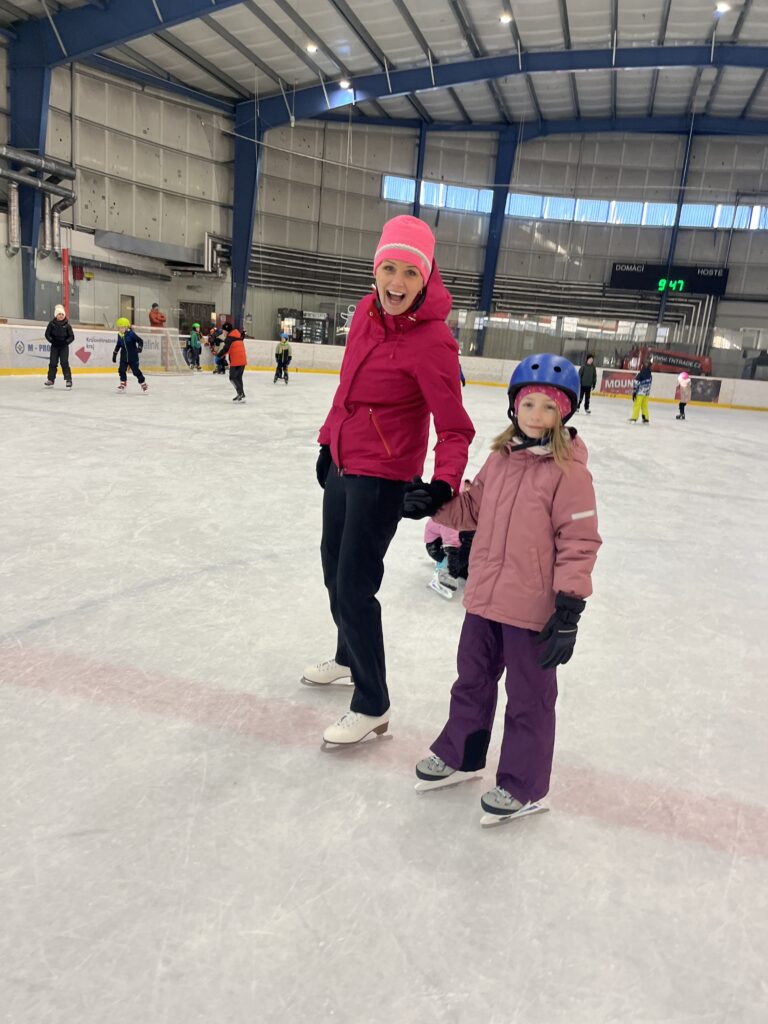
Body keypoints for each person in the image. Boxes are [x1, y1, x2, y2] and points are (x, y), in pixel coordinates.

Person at [304, 214, 475, 745]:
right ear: (375, 269)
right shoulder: (364, 311)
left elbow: (455, 427)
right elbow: (346, 387)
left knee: (355, 587)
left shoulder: (434, 341)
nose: (396, 283)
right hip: (344, 462)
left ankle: (372, 702)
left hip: (383, 476)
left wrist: (443, 484)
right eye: (389, 269)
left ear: (426, 278)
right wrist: (327, 441)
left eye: (409, 272)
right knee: (333, 572)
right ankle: (347, 657)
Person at [414, 354, 601, 824]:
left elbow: (579, 541)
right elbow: (471, 510)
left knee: (529, 699)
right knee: (471, 681)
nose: (536, 415)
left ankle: (524, 786)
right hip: (484, 598)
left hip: (532, 609)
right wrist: (433, 504)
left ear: (565, 413)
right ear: (514, 406)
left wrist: (569, 608)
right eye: (529, 403)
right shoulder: (500, 459)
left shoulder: (570, 473)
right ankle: (462, 755)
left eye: (549, 407)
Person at [112, 317, 148, 392]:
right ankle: (123, 384)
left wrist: (139, 348)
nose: (120, 329)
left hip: (133, 357)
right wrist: (114, 354)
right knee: (121, 370)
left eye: (122, 327)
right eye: (119, 327)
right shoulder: (119, 335)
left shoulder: (131, 334)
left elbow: (140, 341)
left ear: (126, 327)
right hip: (124, 357)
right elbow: (118, 345)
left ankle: (143, 383)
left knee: (135, 371)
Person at [44, 304, 74, 388]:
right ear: (56, 315)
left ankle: (68, 380)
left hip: (64, 347)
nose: (61, 316)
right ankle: (51, 379)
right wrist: (52, 340)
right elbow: (47, 334)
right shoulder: (51, 324)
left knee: (64, 362)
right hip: (55, 346)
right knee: (53, 363)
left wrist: (66, 342)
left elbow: (72, 336)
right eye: (59, 314)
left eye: (62, 314)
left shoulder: (67, 325)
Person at [215, 322, 246, 401]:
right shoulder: (238, 336)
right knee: (238, 378)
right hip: (242, 360)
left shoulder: (230, 338)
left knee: (232, 378)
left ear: (226, 330)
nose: (223, 332)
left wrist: (218, 356)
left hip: (236, 361)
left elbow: (225, 349)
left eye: (223, 331)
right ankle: (241, 393)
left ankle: (240, 393)